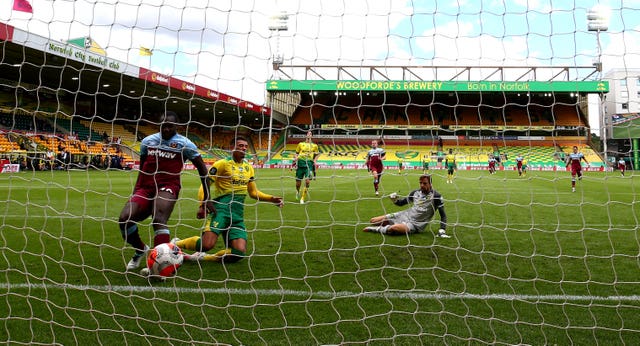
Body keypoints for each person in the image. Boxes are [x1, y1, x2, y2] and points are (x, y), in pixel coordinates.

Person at [118, 111, 213, 271]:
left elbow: (203, 170)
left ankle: (156, 264)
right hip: (145, 187)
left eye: (170, 126)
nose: (166, 129)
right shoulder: (148, 142)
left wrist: (207, 198)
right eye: (163, 125)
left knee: (158, 219)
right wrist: (136, 190)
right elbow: (142, 169)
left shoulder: (185, 144)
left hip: (168, 185)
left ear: (177, 126)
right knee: (124, 219)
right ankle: (140, 249)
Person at [172, 136, 283, 263]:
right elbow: (205, 184)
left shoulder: (249, 168)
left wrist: (271, 199)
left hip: (237, 214)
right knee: (207, 245)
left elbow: (253, 192)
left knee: (238, 253)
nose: (244, 148)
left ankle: (201, 258)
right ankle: (176, 244)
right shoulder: (222, 164)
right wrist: (202, 205)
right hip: (220, 210)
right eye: (241, 145)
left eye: (246, 146)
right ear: (232, 148)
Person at [362, 174, 450, 238]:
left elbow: (443, 215)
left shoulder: (436, 196)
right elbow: (401, 203)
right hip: (403, 215)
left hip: (415, 224)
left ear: (430, 184)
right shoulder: (415, 193)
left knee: (394, 228)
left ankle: (375, 229)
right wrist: (395, 200)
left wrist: (442, 229)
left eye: (425, 183)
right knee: (373, 220)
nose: (422, 185)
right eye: (420, 183)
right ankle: (383, 226)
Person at [293, 131, 319, 204]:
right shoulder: (300, 144)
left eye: (310, 134)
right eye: (308, 134)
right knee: (298, 183)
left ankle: (302, 198)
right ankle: (297, 191)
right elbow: (296, 153)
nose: (309, 135)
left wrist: (315, 160)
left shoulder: (315, 146)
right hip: (300, 164)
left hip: (309, 164)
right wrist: (296, 158)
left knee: (307, 181)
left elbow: (317, 154)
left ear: (312, 136)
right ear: (306, 135)